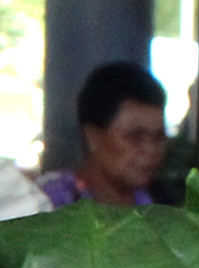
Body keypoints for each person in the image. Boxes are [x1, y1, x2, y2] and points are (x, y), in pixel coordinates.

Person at [42, 59, 167, 210]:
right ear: (92, 137)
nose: (151, 150)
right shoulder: (47, 205)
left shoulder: (161, 207)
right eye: (135, 137)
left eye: (158, 138)